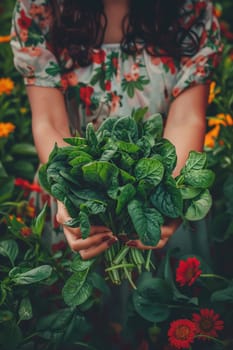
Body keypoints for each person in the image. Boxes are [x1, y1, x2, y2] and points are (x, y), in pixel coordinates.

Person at [10, 0, 221, 258]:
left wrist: (168, 198)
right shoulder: (41, 7)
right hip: (74, 193)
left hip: (163, 190)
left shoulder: (189, 6)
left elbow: (187, 119)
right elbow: (49, 122)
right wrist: (73, 199)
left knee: (166, 295)